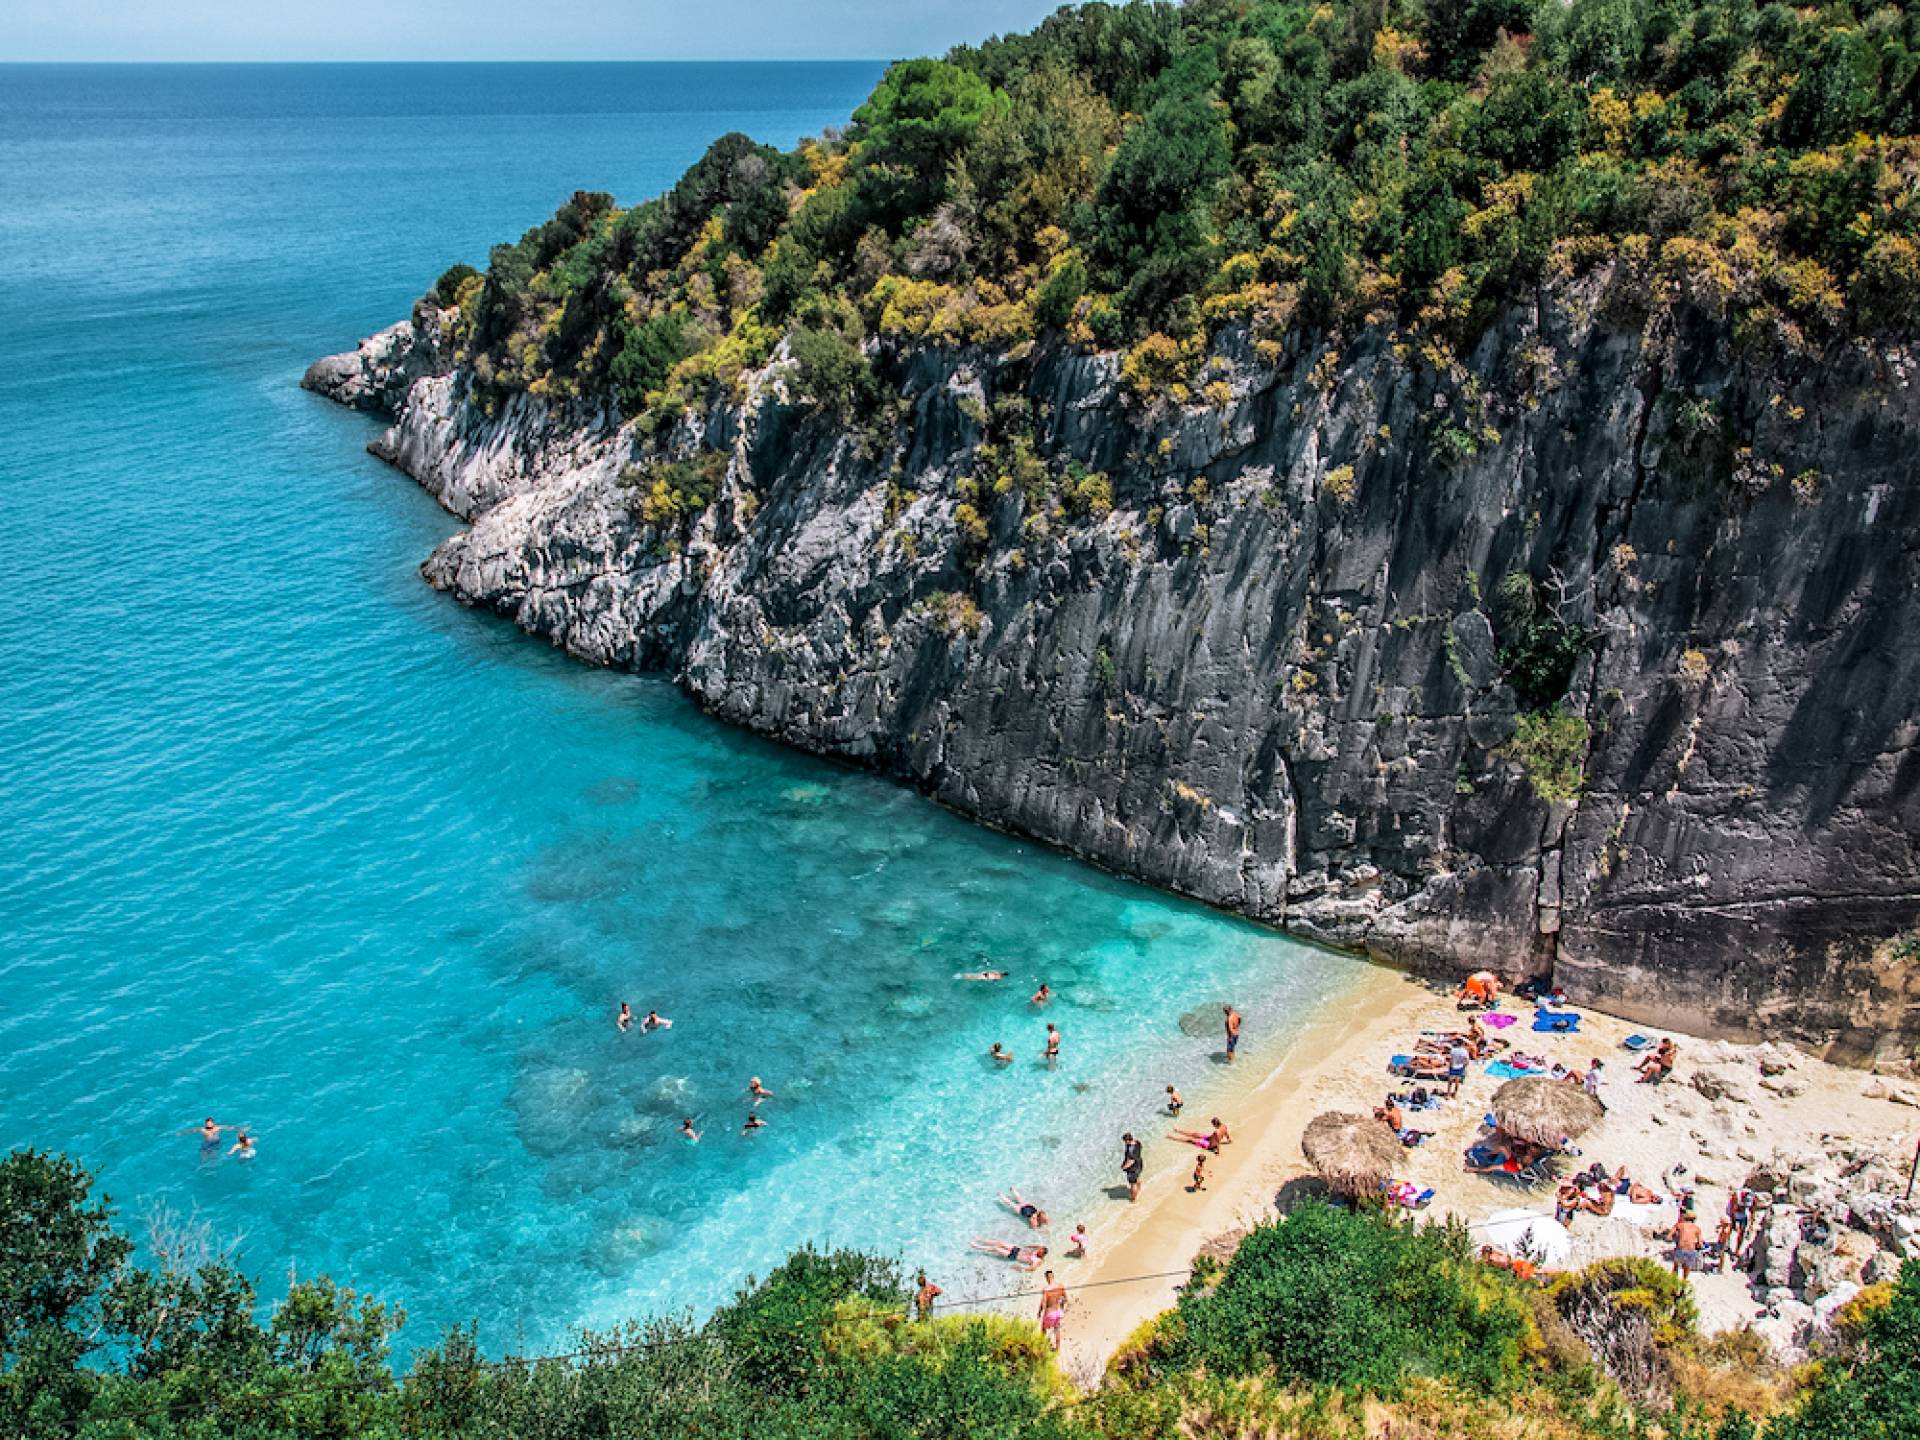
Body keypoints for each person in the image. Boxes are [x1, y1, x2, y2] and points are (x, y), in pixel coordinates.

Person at [1037, 1270, 1068, 1351]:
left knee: (1043, 1329)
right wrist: (1061, 1306)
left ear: (1047, 1278)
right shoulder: (1060, 1286)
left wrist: (1039, 1312)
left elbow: (1043, 1303)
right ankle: (1057, 1349)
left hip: (1050, 1313)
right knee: (1057, 1329)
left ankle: (1042, 1348)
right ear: (1053, 1276)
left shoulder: (1046, 1289)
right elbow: (1066, 1299)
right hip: (1059, 1312)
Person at [969, 1238, 1047, 1269]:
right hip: (1017, 1249)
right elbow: (1037, 1246)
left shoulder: (1037, 1261)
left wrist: (1019, 1267)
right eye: (1039, 1250)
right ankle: (982, 1240)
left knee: (996, 1249)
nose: (1038, 1251)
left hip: (1014, 1256)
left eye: (1040, 1252)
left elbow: (1031, 1268)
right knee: (1000, 1243)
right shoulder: (1039, 1248)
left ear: (1042, 1255)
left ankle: (977, 1247)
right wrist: (1027, 1246)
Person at [1672, 1211, 1704, 1277]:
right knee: (1686, 1268)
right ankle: (1684, 1281)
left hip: (1680, 1249)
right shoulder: (1697, 1228)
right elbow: (1700, 1244)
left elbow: (1669, 1236)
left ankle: (1673, 1280)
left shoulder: (1679, 1225)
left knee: (1676, 1267)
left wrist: (1677, 1239)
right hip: (1691, 1250)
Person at [1121, 1133, 1144, 1203]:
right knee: (1137, 1177)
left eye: (1125, 1141)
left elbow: (1131, 1161)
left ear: (1127, 1140)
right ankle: (1139, 1188)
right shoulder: (1137, 1142)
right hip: (1139, 1163)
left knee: (1132, 1184)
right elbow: (1141, 1147)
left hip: (1133, 1168)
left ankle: (1133, 1199)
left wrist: (1124, 1167)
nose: (1125, 1143)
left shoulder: (1131, 1150)